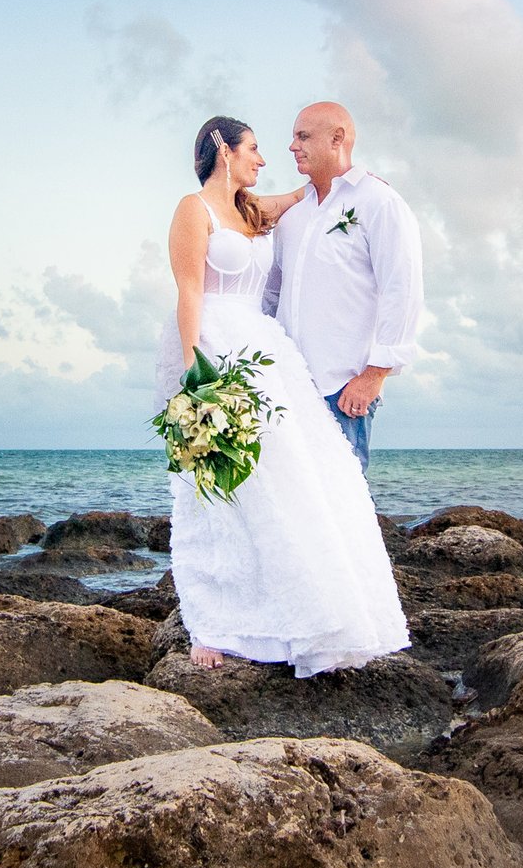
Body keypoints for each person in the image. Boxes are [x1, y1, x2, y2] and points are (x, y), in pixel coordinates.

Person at [161, 114, 410, 676]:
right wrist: (192, 371)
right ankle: (213, 621)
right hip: (214, 349)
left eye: (287, 142)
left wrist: (367, 186)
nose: (266, 156)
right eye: (254, 148)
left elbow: (305, 195)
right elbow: (189, 290)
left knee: (290, 482)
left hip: (268, 355)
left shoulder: (252, 211)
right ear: (224, 149)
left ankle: (301, 609)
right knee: (218, 485)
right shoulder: (191, 210)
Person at [263, 101, 425, 473]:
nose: (291, 146)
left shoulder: (379, 202)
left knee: (342, 508)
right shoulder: (293, 215)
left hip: (344, 390)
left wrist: (374, 375)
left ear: (338, 138)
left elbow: (402, 289)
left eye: (302, 136)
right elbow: (273, 293)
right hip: (287, 388)